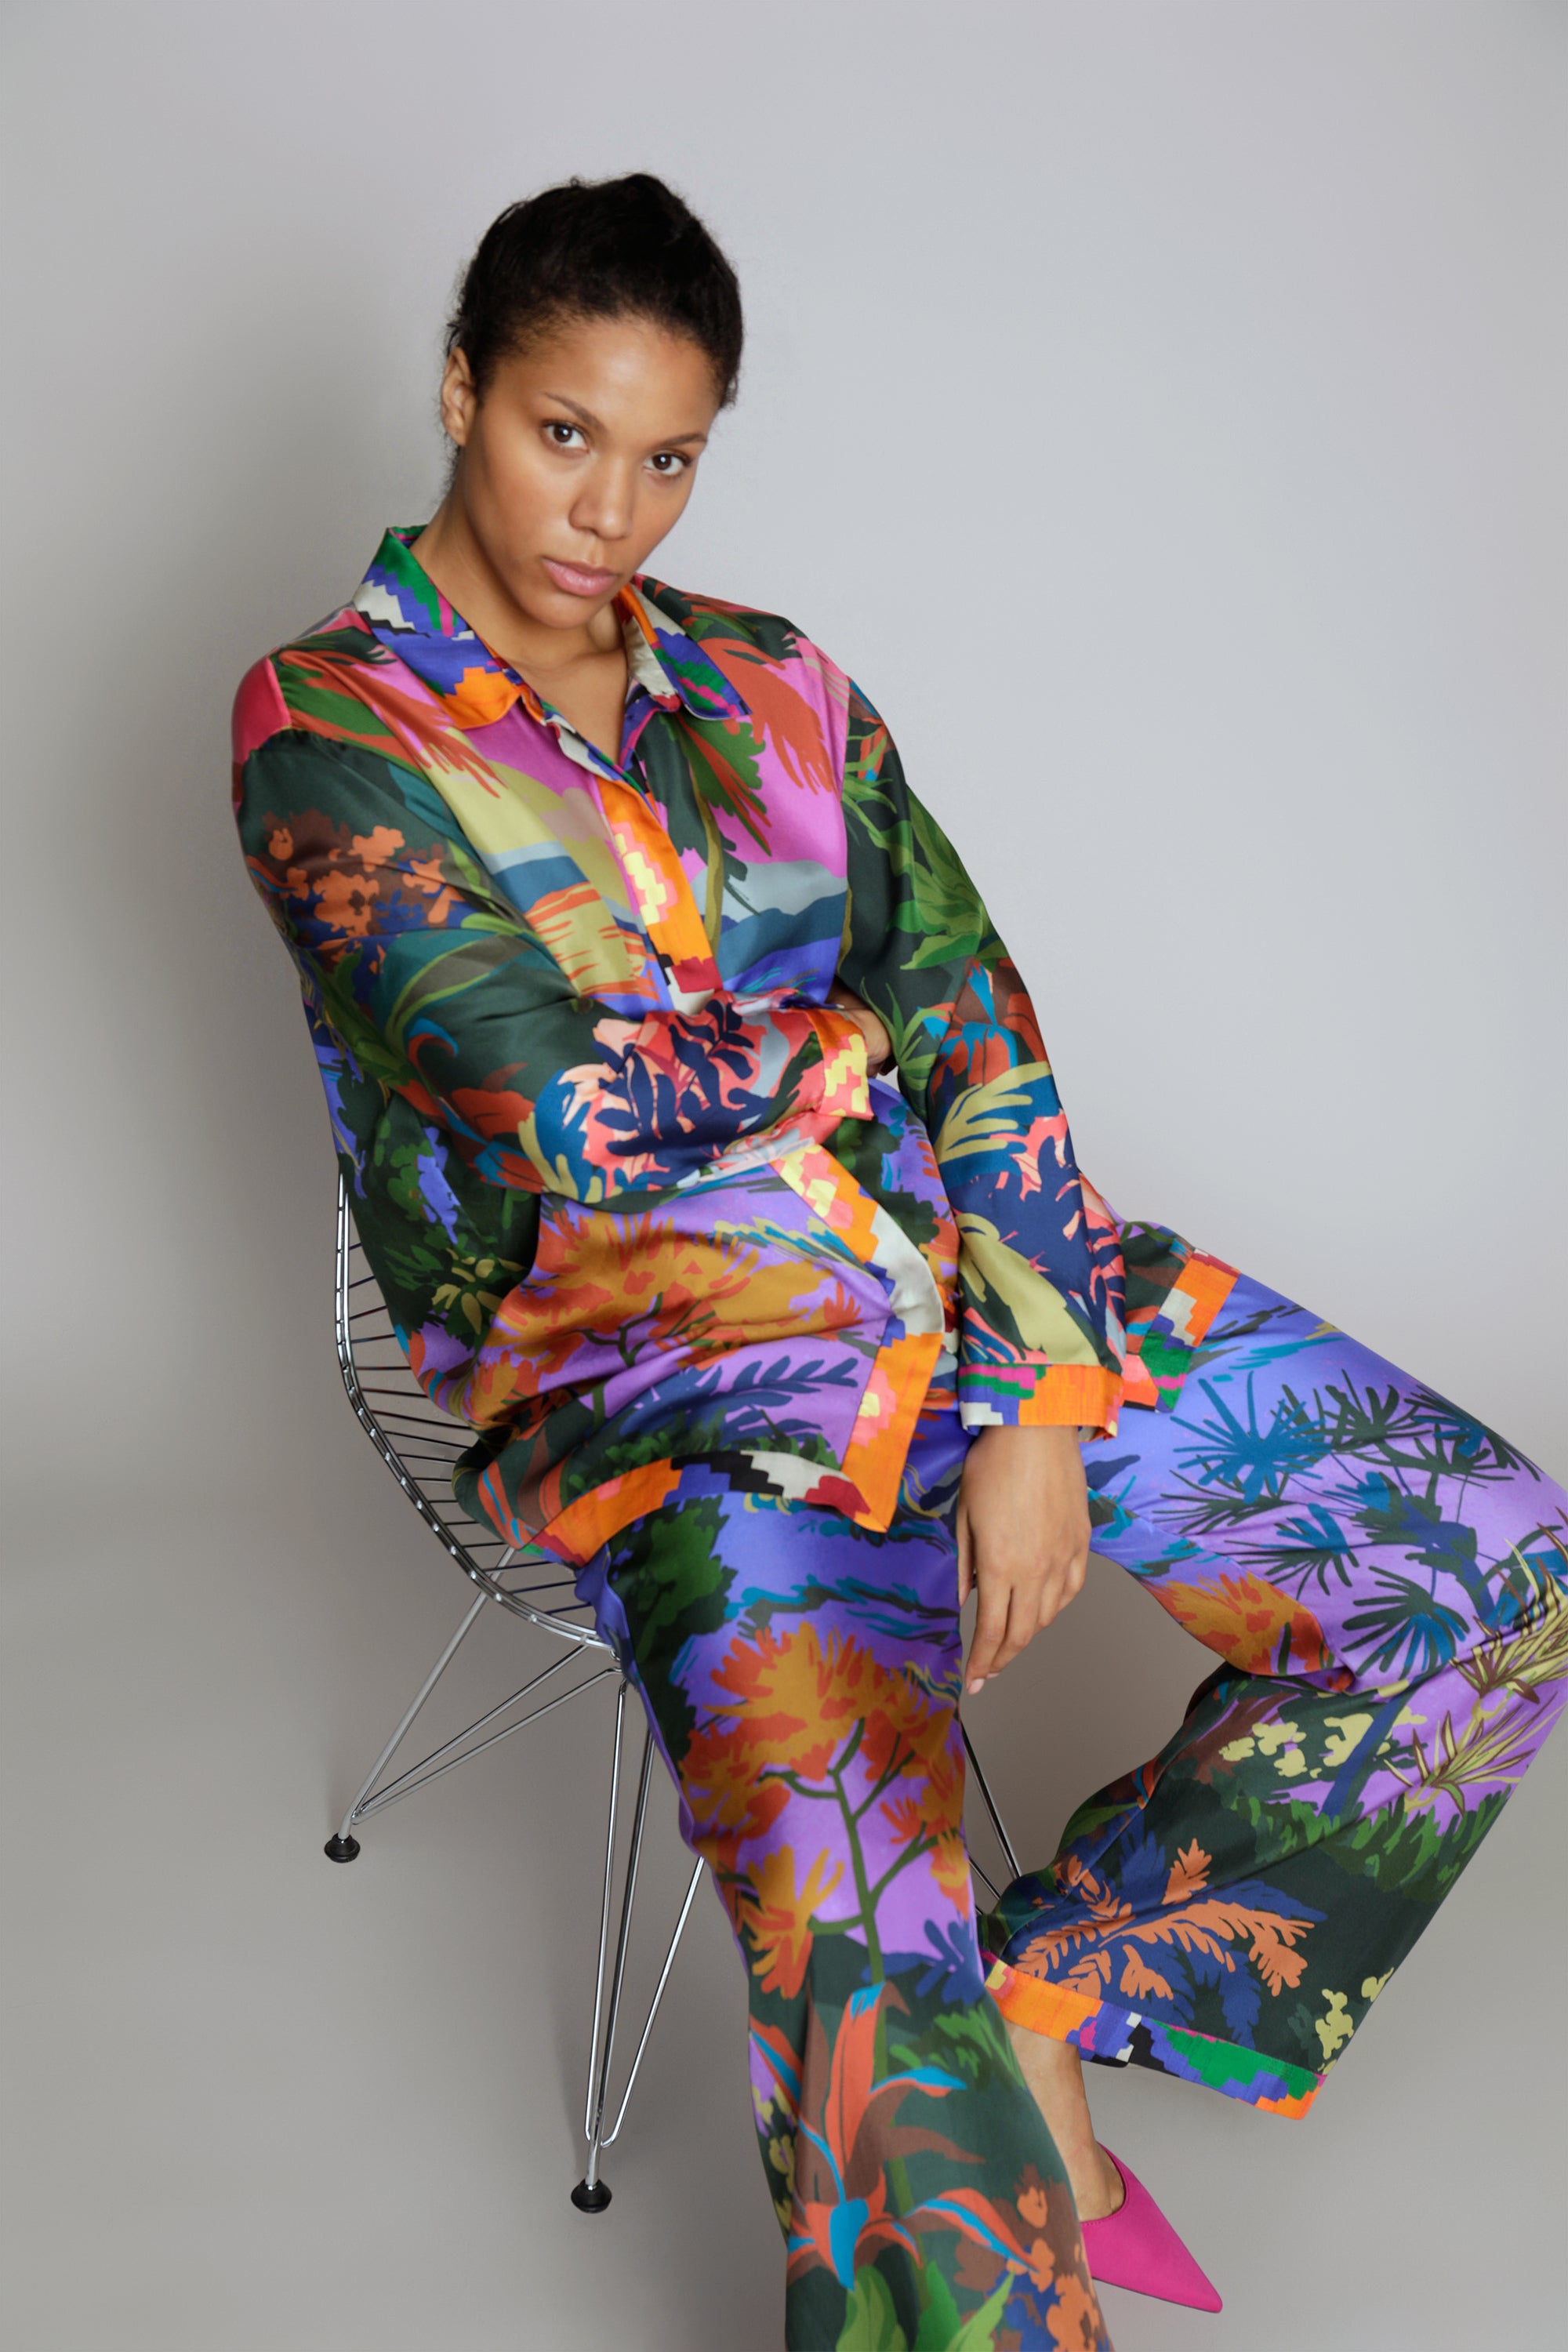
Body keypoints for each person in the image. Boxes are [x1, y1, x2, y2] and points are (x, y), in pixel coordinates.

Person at [232, 173, 1567, 2352]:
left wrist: (1034, 1394)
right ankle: (976, 2133)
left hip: (977, 1302)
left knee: (1495, 1570)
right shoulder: (326, 723)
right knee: (877, 1996)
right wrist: (862, 1061)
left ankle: (1066, 1991)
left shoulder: (776, 685)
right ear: (462, 390)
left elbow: (979, 1023)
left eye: (669, 457)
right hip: (661, 1392)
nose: (610, 511)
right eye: (565, 434)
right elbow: (551, 1104)